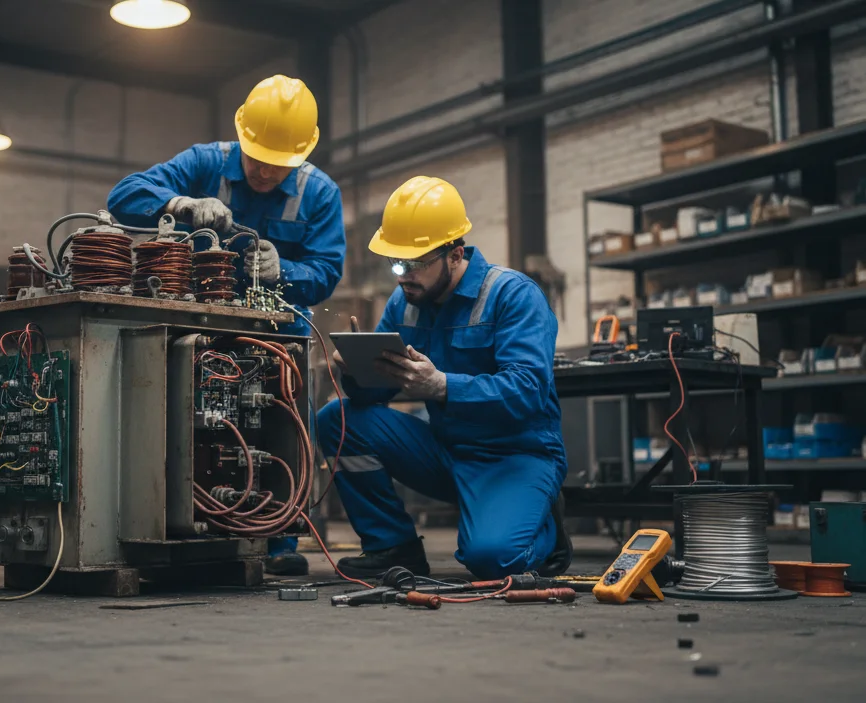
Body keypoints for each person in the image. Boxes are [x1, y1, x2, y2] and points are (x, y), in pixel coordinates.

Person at [107, 74, 346, 577]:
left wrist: (288, 270)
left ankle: (279, 536)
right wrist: (178, 205)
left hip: (276, 333)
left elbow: (325, 273)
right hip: (196, 323)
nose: (262, 171)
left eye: (277, 164)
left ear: (299, 156)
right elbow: (124, 195)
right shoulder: (204, 162)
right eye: (256, 157)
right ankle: (184, 517)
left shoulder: (319, 193)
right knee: (183, 420)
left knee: (283, 423)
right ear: (242, 138)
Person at [317, 176, 572, 580]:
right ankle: (392, 546)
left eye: (416, 263)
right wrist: (355, 371)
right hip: (446, 451)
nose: (403, 276)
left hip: (515, 456)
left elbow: (528, 391)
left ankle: (545, 529)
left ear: (455, 254)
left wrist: (443, 385)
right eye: (396, 263)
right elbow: (374, 396)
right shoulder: (406, 301)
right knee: (338, 418)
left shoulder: (513, 295)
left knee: (491, 562)